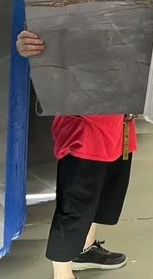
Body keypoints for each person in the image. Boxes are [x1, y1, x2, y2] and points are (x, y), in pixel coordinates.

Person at [16, 30, 136, 279]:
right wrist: (27, 44)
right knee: (76, 202)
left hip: (118, 116)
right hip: (82, 120)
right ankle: (62, 274)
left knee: (105, 192)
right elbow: (43, 31)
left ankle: (84, 250)